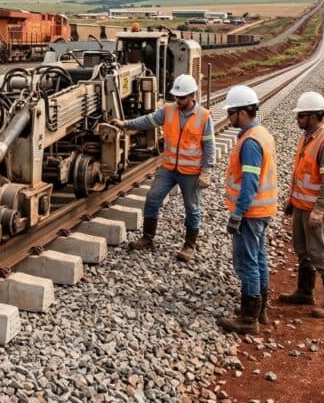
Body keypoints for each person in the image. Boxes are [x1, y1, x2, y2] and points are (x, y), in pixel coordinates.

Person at [109, 74, 215, 261]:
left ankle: (189, 246)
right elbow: (147, 121)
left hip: (190, 172)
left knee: (192, 208)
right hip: (169, 168)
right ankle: (147, 238)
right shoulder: (168, 110)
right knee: (152, 198)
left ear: (192, 96)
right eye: (176, 97)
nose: (178, 101)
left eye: (181, 97)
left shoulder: (204, 117)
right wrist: (125, 125)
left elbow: (209, 146)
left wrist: (206, 171)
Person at [278, 91, 324, 318]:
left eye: (301, 116)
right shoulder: (308, 137)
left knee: (319, 253)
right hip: (301, 205)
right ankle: (305, 292)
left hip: (317, 210)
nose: (298, 120)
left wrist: (319, 209)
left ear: (315, 116)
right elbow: (302, 174)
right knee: (302, 250)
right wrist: (292, 201)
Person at [218, 85, 277, 335]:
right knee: (259, 258)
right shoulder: (262, 133)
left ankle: (248, 318)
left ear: (242, 113)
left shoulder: (250, 142)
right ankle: (260, 308)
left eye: (231, 112)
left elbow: (250, 183)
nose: (229, 117)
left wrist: (237, 213)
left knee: (247, 263)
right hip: (263, 211)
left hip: (251, 213)